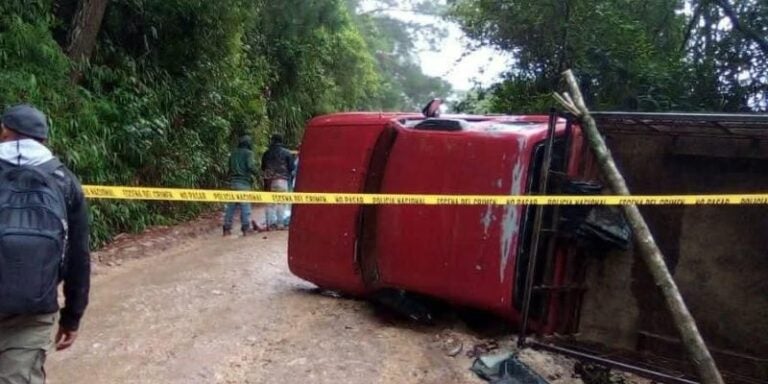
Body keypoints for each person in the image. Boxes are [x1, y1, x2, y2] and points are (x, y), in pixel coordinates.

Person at [0, 104, 91, 383]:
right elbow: (78, 257)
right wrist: (72, 316)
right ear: (43, 139)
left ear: (4, 131)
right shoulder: (64, 180)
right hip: (33, 308)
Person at [223, 135, 257, 237]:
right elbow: (250, 166)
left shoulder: (233, 154)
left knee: (230, 207)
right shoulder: (249, 153)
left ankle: (226, 229)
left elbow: (228, 169)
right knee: (245, 206)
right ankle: (246, 229)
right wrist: (258, 173)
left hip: (233, 183)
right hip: (244, 183)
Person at [261, 134, 295, 230]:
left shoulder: (266, 153)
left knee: (270, 203)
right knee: (281, 202)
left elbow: (263, 167)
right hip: (282, 180)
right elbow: (291, 168)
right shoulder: (287, 153)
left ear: (272, 141)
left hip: (268, 181)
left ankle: (271, 225)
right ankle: (280, 224)